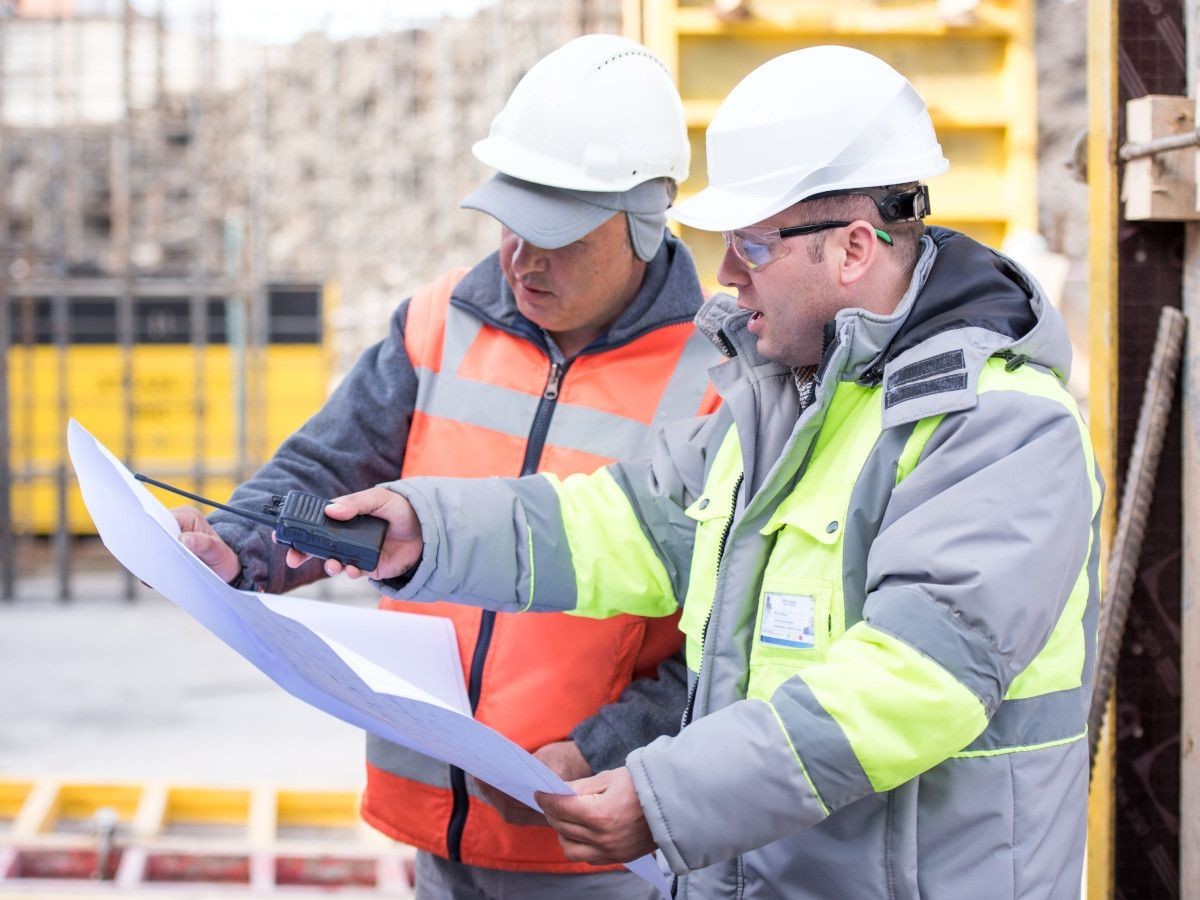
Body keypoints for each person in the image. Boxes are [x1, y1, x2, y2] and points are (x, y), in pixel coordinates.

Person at [305, 46, 1104, 898]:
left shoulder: (1001, 426)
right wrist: (423, 528)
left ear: (853, 249)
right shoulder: (790, 404)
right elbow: (624, 523)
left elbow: (911, 683)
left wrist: (666, 796)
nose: (722, 274)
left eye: (751, 246)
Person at [173, 34, 722, 899]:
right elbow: (324, 469)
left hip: (599, 848)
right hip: (436, 834)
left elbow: (731, 642)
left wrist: (604, 746)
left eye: (559, 236)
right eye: (511, 224)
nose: (522, 258)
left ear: (647, 217)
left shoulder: (720, 381)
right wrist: (236, 550)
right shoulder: (438, 324)